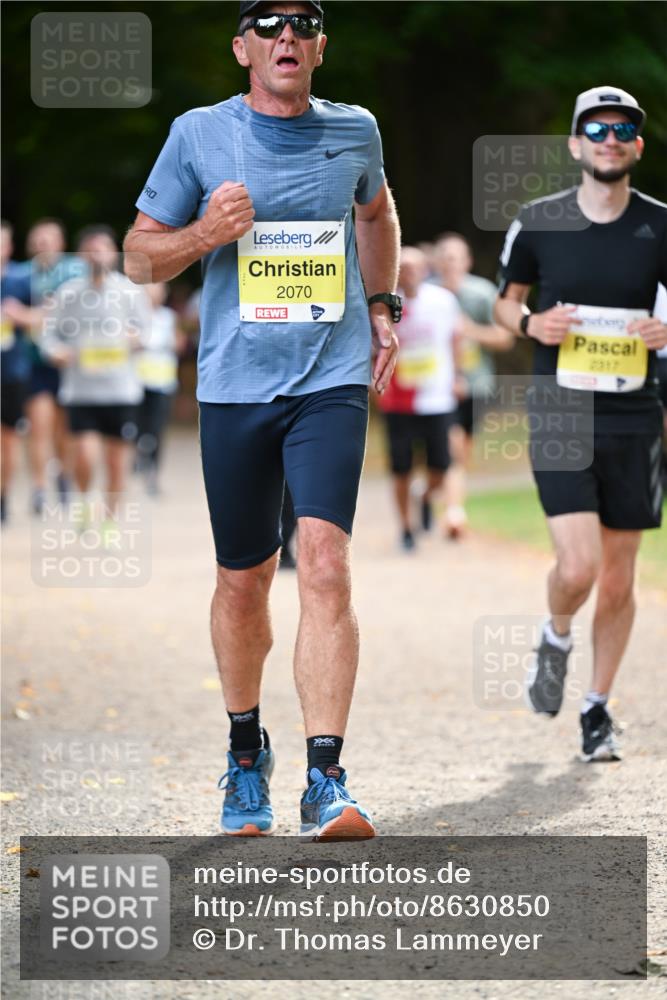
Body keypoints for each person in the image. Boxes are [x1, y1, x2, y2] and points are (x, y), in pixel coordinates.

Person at [124, 1, 400, 839]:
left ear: (319, 47)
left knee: (323, 563)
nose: (287, 37)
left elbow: (377, 215)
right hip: (235, 387)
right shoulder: (198, 134)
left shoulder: (355, 130)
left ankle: (327, 777)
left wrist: (382, 304)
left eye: (303, 24)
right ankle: (247, 755)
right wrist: (207, 230)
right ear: (242, 47)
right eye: (267, 24)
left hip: (332, 376)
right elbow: (140, 254)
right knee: (244, 580)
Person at [494, 86, 667, 762]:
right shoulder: (538, 221)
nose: (608, 137)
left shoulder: (659, 224)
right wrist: (533, 323)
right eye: (594, 128)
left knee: (620, 578)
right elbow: (504, 306)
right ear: (574, 144)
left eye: (622, 128)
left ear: (636, 146)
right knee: (578, 565)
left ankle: (595, 708)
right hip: (561, 408)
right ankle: (556, 631)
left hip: (634, 414)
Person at [40, 226, 149, 528]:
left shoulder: (130, 291)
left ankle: (110, 524)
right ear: (81, 256)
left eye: (102, 248)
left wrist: (135, 339)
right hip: (81, 392)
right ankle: (86, 501)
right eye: (90, 249)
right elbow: (48, 336)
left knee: (117, 463)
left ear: (114, 253)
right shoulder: (68, 293)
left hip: (121, 391)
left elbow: (148, 333)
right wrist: (56, 352)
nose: (96, 254)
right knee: (85, 457)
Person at [376, 246, 461, 550]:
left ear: (426, 269)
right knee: (401, 468)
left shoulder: (443, 301)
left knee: (441, 467)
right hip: (398, 401)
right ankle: (406, 529)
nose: (409, 272)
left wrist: (459, 376)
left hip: (436, 398)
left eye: (414, 266)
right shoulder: (385, 306)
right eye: (403, 266)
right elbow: (374, 347)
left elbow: (455, 340)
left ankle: (425, 495)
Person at [431, 233, 513, 538]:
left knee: (461, 452)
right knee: (450, 449)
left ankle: (427, 495)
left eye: (456, 257)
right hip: (436, 388)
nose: (450, 263)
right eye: (445, 257)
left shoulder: (481, 294)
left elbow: (504, 338)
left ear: (467, 261)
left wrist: (469, 330)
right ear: (437, 262)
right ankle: (454, 512)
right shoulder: (426, 295)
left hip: (476, 385)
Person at [21, 219, 87, 513]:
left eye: (49, 239)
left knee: (64, 431)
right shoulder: (23, 275)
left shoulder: (75, 271)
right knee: (39, 427)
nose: (43, 244)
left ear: (61, 243)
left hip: (68, 363)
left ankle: (63, 476)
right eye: (38, 239)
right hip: (36, 362)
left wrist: (29, 315)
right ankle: (38, 488)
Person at [134, 281, 184, 495]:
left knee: (156, 429)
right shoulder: (134, 316)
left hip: (162, 381)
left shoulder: (169, 317)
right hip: (137, 381)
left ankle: (153, 472)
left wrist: (174, 342)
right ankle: (139, 456)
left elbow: (180, 344)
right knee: (137, 427)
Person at [1, 221, 32, 524]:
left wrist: (20, 315)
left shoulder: (22, 279)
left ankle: (3, 497)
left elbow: (48, 316)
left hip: (11, 373)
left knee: (8, 441)